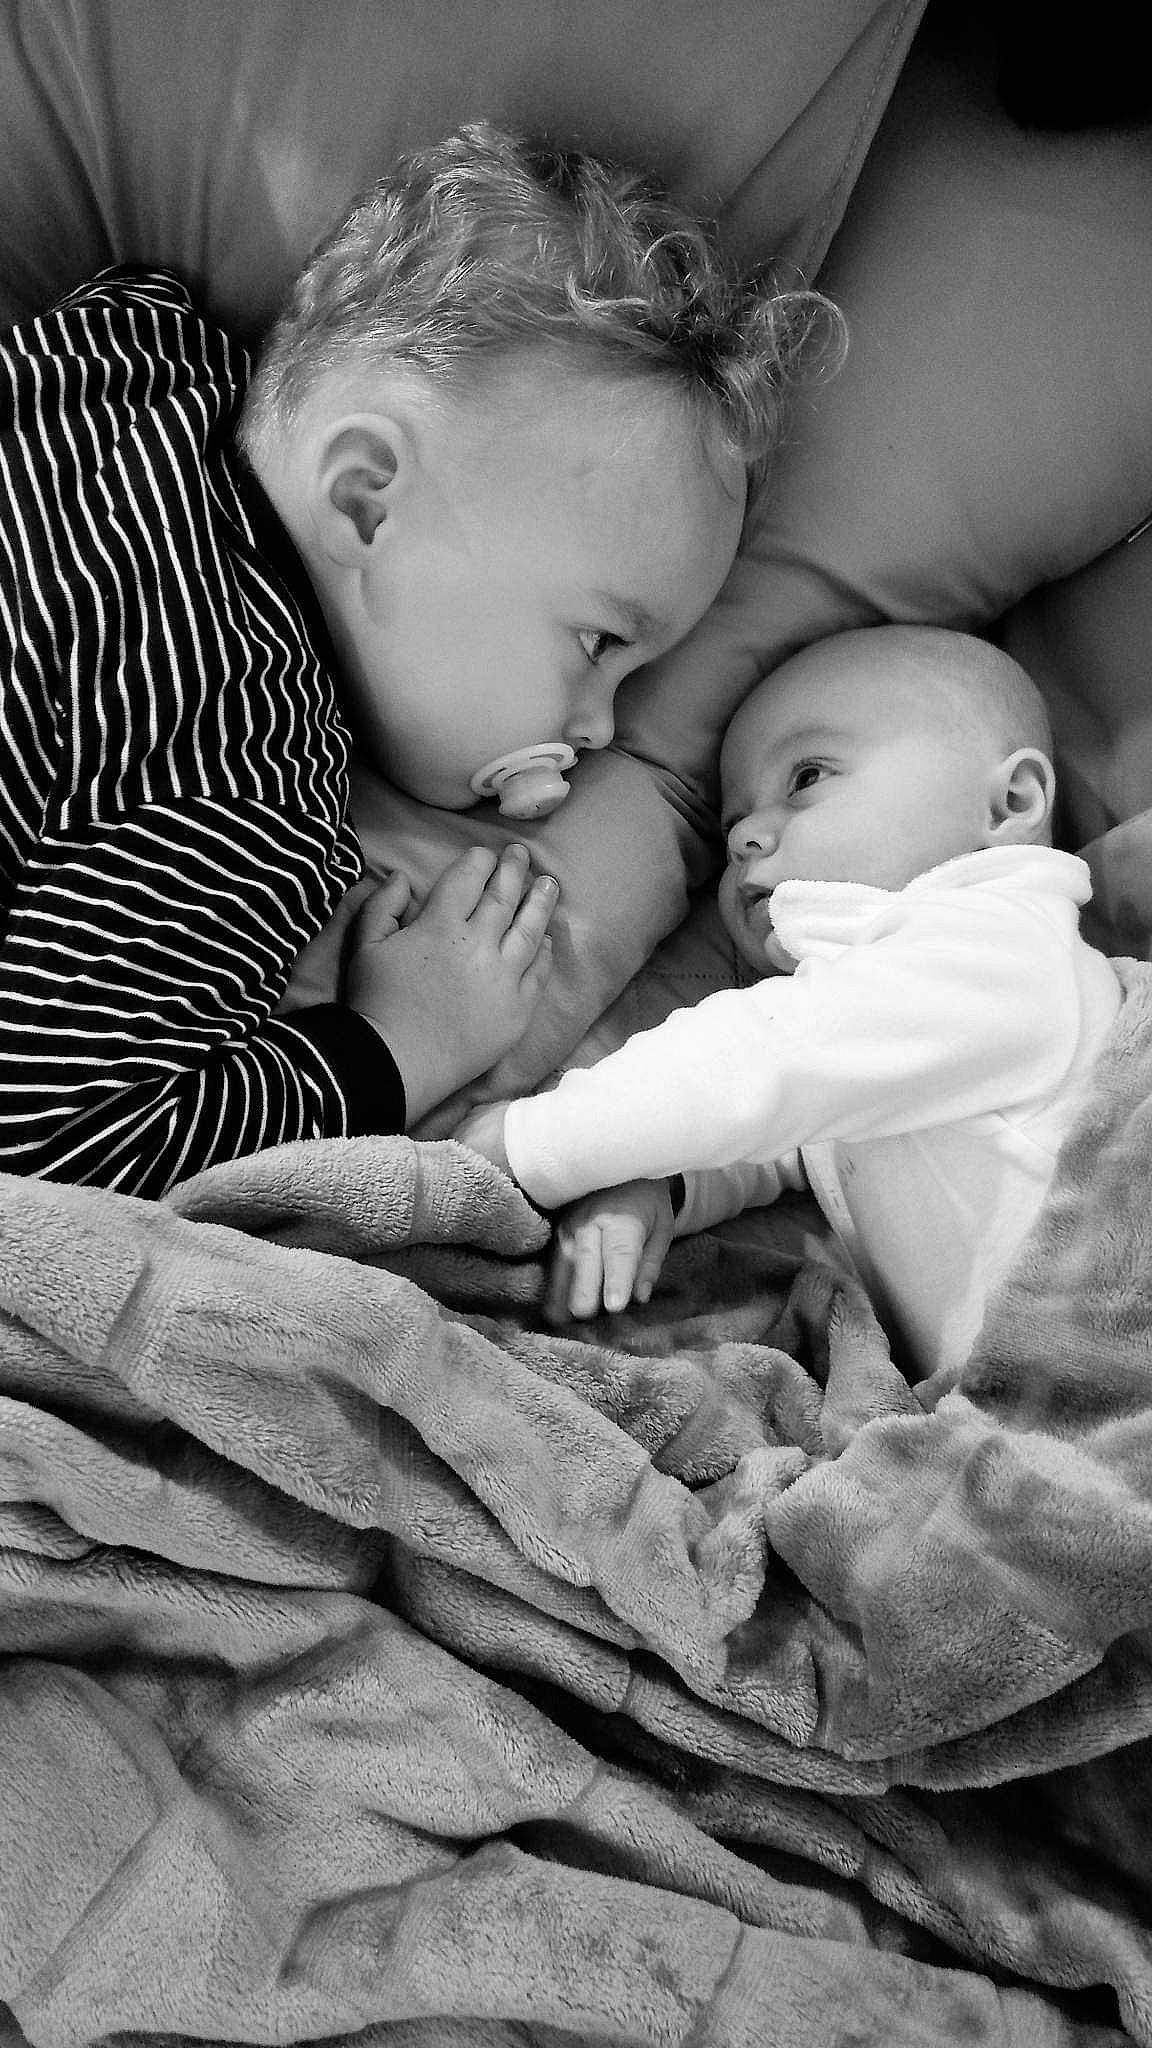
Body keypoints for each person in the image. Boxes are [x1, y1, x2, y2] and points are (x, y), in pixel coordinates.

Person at [0, 120, 812, 1199]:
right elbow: (69, 1155)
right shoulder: (242, 768)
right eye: (600, 644)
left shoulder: (129, 351)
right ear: (365, 502)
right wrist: (402, 1041)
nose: (603, 728)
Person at [459, 625, 1124, 1383]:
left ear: (1010, 802)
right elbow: (785, 1143)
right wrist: (657, 1186)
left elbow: (760, 1067)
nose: (745, 833)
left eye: (806, 777)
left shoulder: (1003, 946)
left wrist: (520, 1143)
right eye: (729, 822)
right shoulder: (865, 1028)